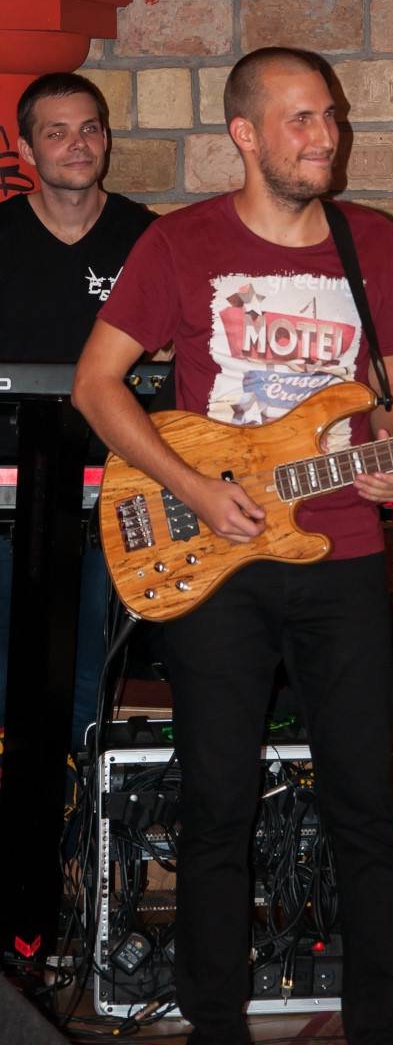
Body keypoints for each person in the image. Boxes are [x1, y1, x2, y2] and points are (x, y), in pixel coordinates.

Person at [72, 47, 393, 1045]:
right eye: (302, 118)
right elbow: (96, 385)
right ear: (245, 134)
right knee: (218, 804)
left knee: (366, 807)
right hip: (213, 560)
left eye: (332, 116)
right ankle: (215, 1026)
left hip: (342, 553)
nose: (326, 136)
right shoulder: (180, 243)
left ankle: (383, 1028)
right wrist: (191, 486)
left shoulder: (375, 242)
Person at [0, 72, 155, 748]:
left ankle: (77, 802)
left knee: (87, 663)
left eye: (90, 128)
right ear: (27, 150)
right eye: (57, 132)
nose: (78, 144)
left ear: (107, 138)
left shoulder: (147, 238)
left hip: (113, 488)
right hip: (7, 490)